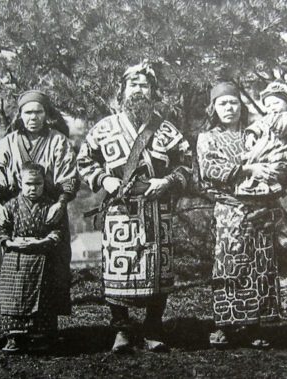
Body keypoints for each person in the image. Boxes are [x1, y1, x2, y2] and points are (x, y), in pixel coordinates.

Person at [77, 63, 192, 353]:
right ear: (122, 91)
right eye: (133, 85)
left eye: (145, 85)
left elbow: (187, 165)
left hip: (157, 209)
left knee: (157, 268)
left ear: (153, 92)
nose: (139, 90)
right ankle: (122, 330)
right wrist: (105, 179)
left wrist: (166, 181)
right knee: (120, 267)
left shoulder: (166, 130)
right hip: (120, 211)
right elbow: (84, 161)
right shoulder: (104, 128)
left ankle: (154, 327)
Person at [0, 90, 79, 347]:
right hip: (16, 214)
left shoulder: (58, 141)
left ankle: (46, 331)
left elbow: (69, 177)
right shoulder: (8, 143)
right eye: (28, 112)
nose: (33, 117)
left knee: (52, 273)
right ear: (20, 115)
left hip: (50, 213)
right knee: (17, 276)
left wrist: (60, 203)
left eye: (38, 112)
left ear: (47, 115)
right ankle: (15, 333)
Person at [196, 82, 283, 349]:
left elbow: (273, 160)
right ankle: (224, 324)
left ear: (241, 106)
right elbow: (210, 168)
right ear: (213, 108)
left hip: (260, 207)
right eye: (222, 104)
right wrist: (249, 169)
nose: (229, 108)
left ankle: (256, 325)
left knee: (261, 264)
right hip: (229, 209)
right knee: (229, 263)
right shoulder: (207, 137)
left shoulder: (255, 134)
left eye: (233, 102)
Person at [0, 162, 65, 353]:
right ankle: (13, 337)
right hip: (15, 259)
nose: (33, 188)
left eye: (38, 184)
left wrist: (41, 242)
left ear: (44, 183)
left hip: (42, 258)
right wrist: (10, 243)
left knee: (43, 297)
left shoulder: (50, 206)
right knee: (13, 297)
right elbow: (0, 230)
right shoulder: (11, 206)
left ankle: (42, 336)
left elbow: (58, 232)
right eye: (28, 184)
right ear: (20, 182)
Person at [237, 81, 287, 196]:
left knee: (276, 166)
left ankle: (272, 185)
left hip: (281, 150)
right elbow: (256, 126)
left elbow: (285, 127)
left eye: (276, 103)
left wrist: (270, 123)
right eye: (268, 106)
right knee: (254, 163)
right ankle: (253, 185)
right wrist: (251, 135)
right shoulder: (265, 119)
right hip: (264, 150)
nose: (272, 108)